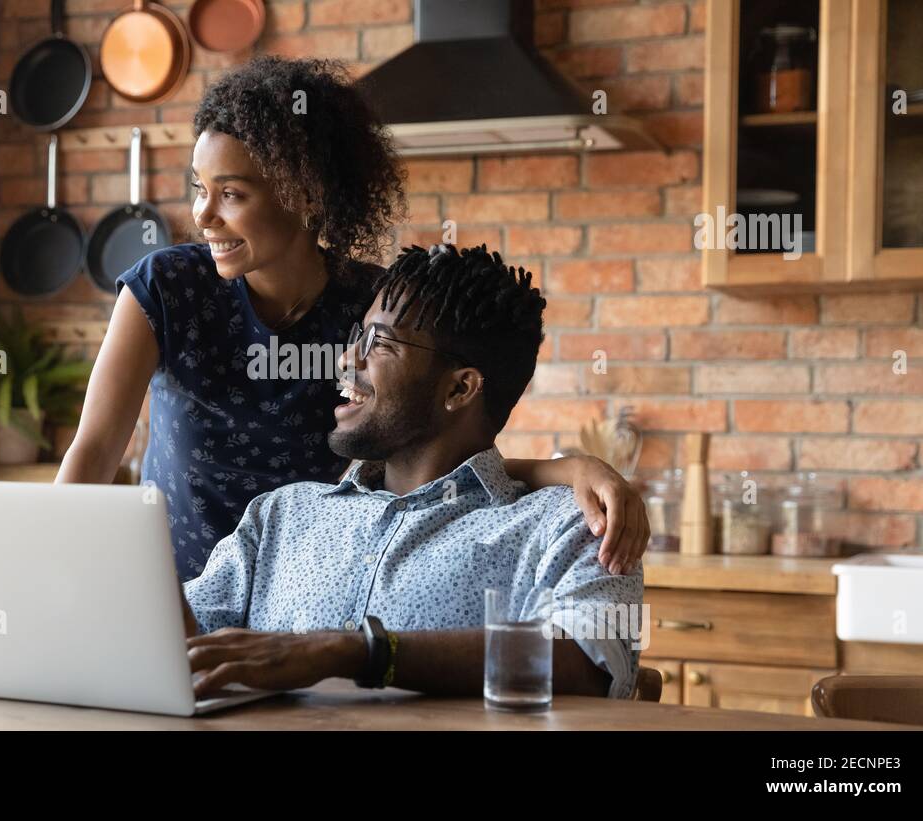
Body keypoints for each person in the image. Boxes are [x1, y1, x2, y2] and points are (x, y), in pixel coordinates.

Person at [56, 55, 649, 582]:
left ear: (307, 195)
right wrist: (46, 568)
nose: (202, 216)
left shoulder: (371, 310)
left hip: (306, 596)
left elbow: (424, 464)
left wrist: (569, 468)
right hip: (168, 598)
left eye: (231, 194)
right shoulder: (167, 288)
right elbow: (95, 449)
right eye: (199, 189)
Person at [180, 245, 645, 700]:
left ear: (460, 388)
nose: (346, 360)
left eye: (378, 343)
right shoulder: (280, 515)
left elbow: (589, 661)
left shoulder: (575, 522)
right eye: (356, 338)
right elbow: (175, 643)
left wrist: (356, 653)